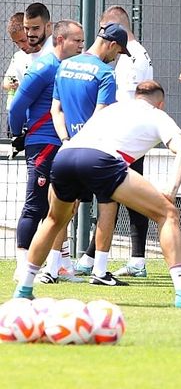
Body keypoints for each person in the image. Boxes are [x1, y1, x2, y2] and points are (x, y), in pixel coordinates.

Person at [13, 80, 181, 308]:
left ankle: (23, 289)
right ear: (160, 103)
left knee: (53, 220)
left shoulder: (112, 108)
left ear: (136, 96)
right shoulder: (157, 115)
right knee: (168, 213)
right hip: (101, 160)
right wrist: (171, 189)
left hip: (65, 156)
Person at [74, 6, 155, 279]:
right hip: (129, 133)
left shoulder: (130, 57)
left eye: (104, 30)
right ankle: (107, 256)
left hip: (127, 134)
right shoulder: (134, 53)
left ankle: (115, 258)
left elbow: (127, 99)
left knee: (118, 194)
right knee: (121, 193)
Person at [51, 22, 130, 287]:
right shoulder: (105, 73)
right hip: (95, 150)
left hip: (68, 147)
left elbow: (56, 110)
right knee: (108, 203)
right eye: (118, 52)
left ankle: (51, 268)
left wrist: (65, 139)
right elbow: (101, 115)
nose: (116, 57)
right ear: (111, 45)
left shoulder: (65, 65)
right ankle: (100, 270)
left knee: (62, 208)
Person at [8, 20, 85, 284]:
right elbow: (17, 105)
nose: (81, 46)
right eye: (77, 40)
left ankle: (60, 263)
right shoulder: (44, 67)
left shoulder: (72, 68)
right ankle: (22, 264)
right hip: (43, 144)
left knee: (64, 205)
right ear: (61, 40)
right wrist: (18, 133)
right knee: (36, 204)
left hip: (66, 145)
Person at [3, 12, 37, 136]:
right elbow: (6, 82)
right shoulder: (18, 57)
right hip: (18, 111)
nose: (21, 46)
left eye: (23, 40)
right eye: (16, 43)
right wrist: (12, 84)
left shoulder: (44, 55)